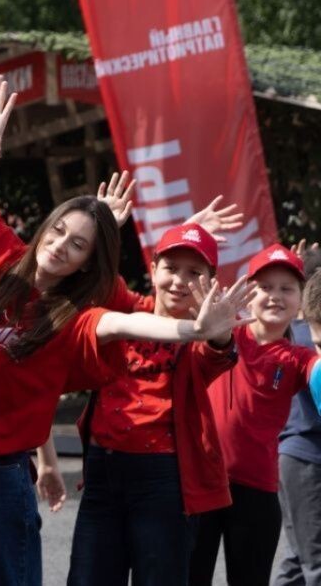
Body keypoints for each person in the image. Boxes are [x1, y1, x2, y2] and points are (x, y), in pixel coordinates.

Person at [69, 224, 249, 586]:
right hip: (102, 471)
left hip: (163, 479)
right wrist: (108, 224)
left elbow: (218, 352)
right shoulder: (127, 306)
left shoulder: (201, 336)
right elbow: (94, 270)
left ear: (211, 282)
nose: (180, 281)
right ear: (152, 270)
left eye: (194, 273)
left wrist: (219, 332)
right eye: (171, 268)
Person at [190, 244, 321, 586]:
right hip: (200, 482)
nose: (275, 296)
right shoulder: (224, 334)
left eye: (287, 288)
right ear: (248, 293)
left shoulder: (300, 358)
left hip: (257, 490)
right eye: (266, 287)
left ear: (300, 300)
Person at [275, 252, 321, 586]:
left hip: (293, 457)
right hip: (305, 456)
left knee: (299, 558)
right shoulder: (302, 340)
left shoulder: (295, 334)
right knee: (315, 560)